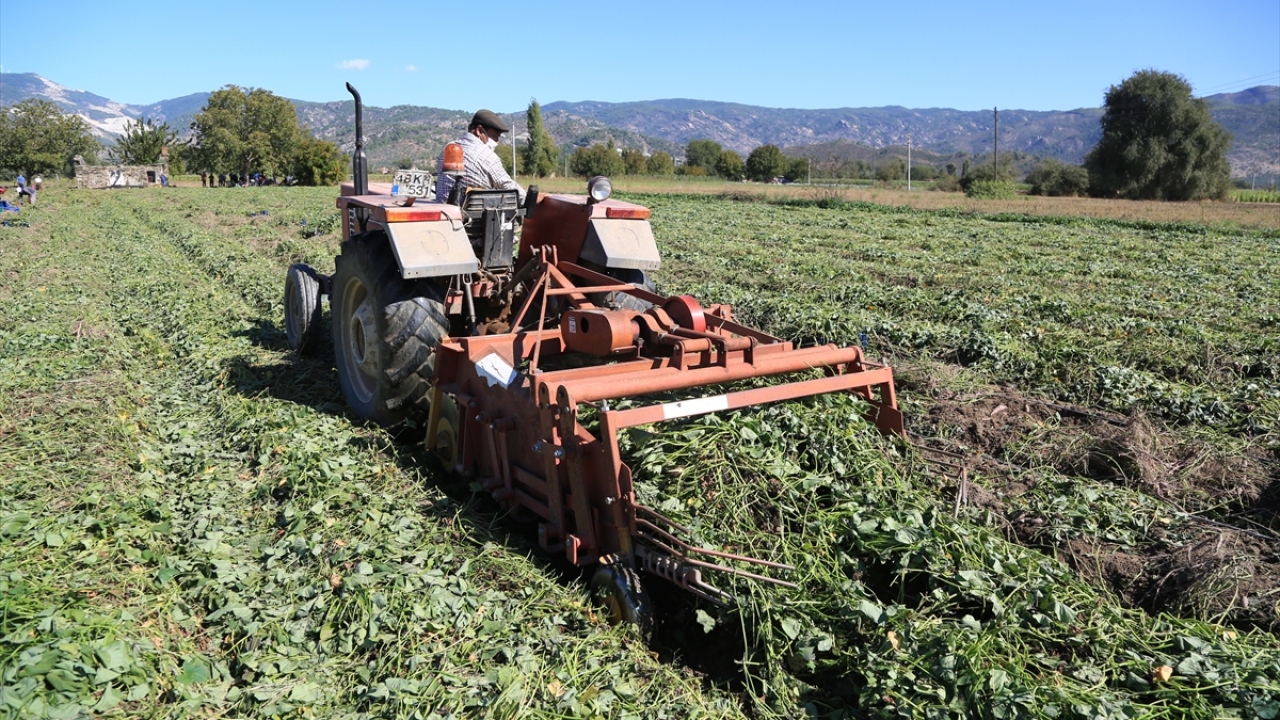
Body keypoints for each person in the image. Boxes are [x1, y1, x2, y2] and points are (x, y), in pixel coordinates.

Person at [435, 109, 525, 205]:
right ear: (479, 131)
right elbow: (510, 188)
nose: (498, 141)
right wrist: (530, 199)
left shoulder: (448, 148)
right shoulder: (488, 157)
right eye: (495, 136)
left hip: (443, 209)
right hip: (469, 213)